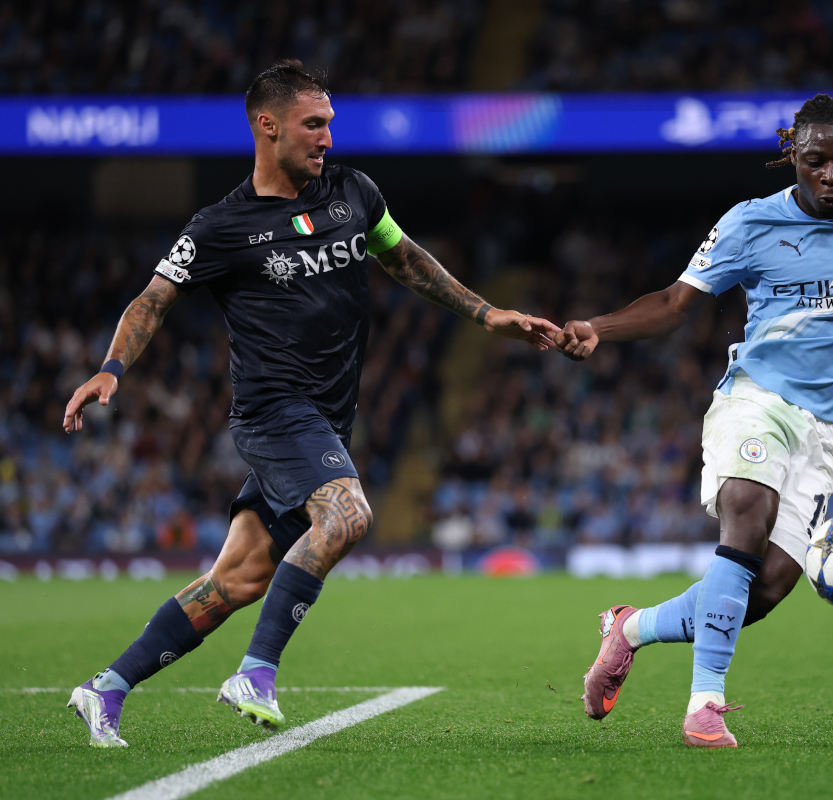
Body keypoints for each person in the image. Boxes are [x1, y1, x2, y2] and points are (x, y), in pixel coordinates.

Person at [61, 60, 558, 747]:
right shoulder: (221, 226)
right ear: (268, 127)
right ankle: (256, 672)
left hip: (325, 418)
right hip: (273, 413)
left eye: (330, 122)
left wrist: (484, 313)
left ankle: (104, 689)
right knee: (348, 513)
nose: (327, 136)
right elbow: (153, 298)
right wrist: (112, 368)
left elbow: (404, 258)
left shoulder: (353, 192)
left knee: (234, 582)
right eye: (313, 123)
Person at [555, 94, 833, 748]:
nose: (830, 176)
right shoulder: (750, 225)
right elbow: (677, 303)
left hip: (825, 430)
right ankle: (704, 706)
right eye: (816, 160)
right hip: (757, 398)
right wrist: (599, 327)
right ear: (792, 152)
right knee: (747, 508)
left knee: (759, 594)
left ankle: (628, 629)